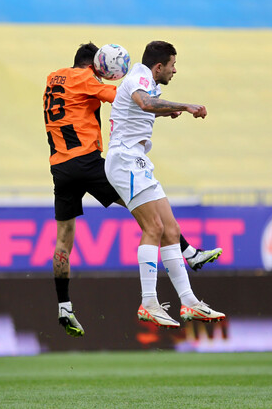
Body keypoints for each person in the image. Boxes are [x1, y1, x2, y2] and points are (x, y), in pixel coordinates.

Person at [45, 43, 222, 337]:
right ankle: (165, 282)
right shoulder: (89, 79)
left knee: (64, 240)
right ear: (95, 65)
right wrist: (177, 106)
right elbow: (128, 99)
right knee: (149, 216)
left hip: (60, 168)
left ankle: (64, 305)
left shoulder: (53, 79)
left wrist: (164, 110)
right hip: (89, 162)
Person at [105, 40, 225, 328]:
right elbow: (144, 102)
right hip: (125, 159)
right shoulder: (140, 77)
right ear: (158, 66)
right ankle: (148, 303)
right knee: (154, 228)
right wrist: (185, 106)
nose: (175, 70)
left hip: (137, 160)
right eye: (173, 65)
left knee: (171, 230)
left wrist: (165, 111)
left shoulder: (147, 82)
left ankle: (189, 302)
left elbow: (145, 106)